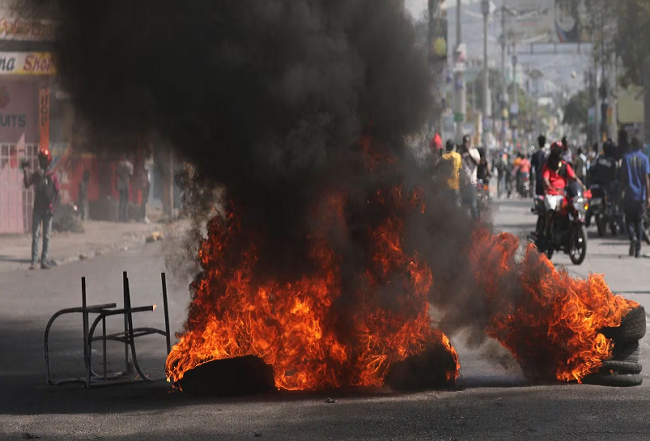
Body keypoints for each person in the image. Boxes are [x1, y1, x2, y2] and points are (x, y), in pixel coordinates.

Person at [23, 149, 60, 270]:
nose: (41, 162)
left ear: (47, 161)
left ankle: (44, 260)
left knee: (46, 236)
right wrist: (25, 171)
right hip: (38, 209)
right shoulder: (37, 174)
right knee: (36, 235)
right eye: (40, 160)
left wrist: (53, 208)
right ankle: (34, 261)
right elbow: (27, 184)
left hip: (48, 210)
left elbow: (57, 193)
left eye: (43, 160)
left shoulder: (53, 176)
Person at [542, 141, 585, 237]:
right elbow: (545, 179)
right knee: (551, 208)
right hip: (551, 194)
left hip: (563, 195)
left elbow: (574, 177)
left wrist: (583, 187)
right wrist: (550, 186)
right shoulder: (547, 166)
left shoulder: (565, 166)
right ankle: (548, 230)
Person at [619, 137, 650, 258]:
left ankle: (632, 237)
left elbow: (622, 178)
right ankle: (638, 250)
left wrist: (620, 192)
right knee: (638, 221)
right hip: (640, 195)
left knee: (628, 220)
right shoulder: (644, 159)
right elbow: (646, 179)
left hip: (629, 195)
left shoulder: (626, 157)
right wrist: (648, 197)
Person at [459, 135, 481, 218]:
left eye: (467, 142)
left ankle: (476, 223)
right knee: (463, 205)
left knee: (473, 204)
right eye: (464, 142)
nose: (466, 144)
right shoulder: (460, 153)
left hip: (472, 182)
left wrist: (469, 154)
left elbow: (477, 163)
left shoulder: (474, 151)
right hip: (463, 182)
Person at [442, 139, 462, 206]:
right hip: (455, 186)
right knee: (456, 205)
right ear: (453, 147)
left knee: (446, 206)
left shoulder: (443, 157)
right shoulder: (458, 156)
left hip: (445, 186)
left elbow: (436, 168)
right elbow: (460, 169)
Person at [116, 156, 133, 222]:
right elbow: (131, 175)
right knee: (125, 202)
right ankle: (124, 218)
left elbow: (117, 172)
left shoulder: (120, 164)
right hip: (125, 185)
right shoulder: (129, 165)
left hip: (120, 185)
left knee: (121, 202)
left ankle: (119, 218)